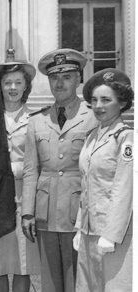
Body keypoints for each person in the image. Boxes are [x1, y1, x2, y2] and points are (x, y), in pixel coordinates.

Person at [21, 48, 98, 292]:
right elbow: (31, 169)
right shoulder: (37, 119)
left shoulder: (93, 116)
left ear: (78, 79)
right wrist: (27, 212)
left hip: (79, 210)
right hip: (46, 211)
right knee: (51, 282)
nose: (60, 83)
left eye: (66, 77)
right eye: (54, 78)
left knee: (80, 278)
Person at [0, 61, 41, 292]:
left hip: (24, 197)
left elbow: (39, 160)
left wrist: (14, 169)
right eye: (7, 82)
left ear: (26, 87)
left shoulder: (36, 118)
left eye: (18, 82)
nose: (13, 87)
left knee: (24, 261)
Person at [73, 68, 133, 291]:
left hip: (114, 235)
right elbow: (85, 185)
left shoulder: (126, 138)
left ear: (122, 103)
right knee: (87, 287)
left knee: (114, 287)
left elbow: (123, 190)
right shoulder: (92, 137)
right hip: (89, 231)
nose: (98, 106)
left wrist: (111, 235)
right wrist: (80, 228)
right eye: (95, 100)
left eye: (106, 100)